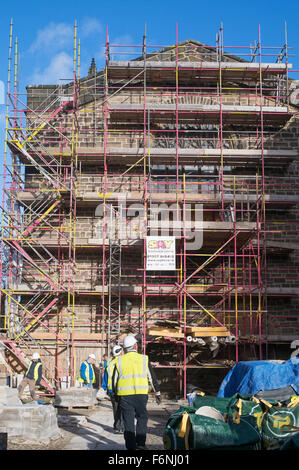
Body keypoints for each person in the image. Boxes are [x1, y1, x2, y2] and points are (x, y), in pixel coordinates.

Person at [112, 334, 161, 451]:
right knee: (142, 418)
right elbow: (152, 378)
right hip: (141, 395)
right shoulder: (144, 359)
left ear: (124, 348)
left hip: (125, 396)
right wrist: (157, 393)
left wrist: (115, 395)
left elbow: (114, 381)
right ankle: (140, 444)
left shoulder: (119, 360)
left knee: (128, 422)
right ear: (135, 346)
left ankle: (130, 447)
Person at [107, 344, 124, 433]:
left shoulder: (110, 362)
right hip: (120, 389)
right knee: (122, 409)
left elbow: (107, 377)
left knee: (116, 409)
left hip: (111, 390)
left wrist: (107, 388)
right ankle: (121, 427)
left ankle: (117, 426)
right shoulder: (121, 361)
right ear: (120, 352)